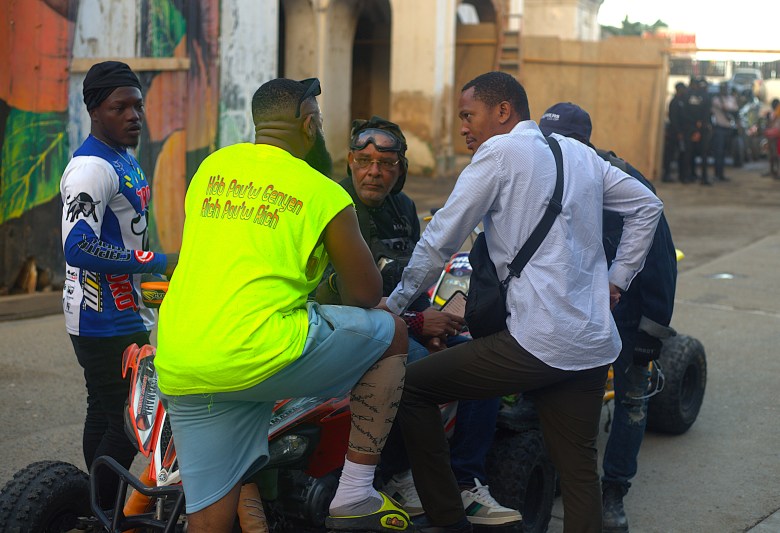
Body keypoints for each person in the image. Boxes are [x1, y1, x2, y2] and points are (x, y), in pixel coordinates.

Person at [380, 71, 663, 533]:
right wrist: (617, 279)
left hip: (536, 341)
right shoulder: (581, 156)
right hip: (592, 344)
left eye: (469, 116)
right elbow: (647, 205)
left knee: (412, 389)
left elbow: (439, 240)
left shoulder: (500, 152)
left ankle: (449, 518)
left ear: (503, 111)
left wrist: (392, 309)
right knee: (577, 470)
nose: (464, 128)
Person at [154, 77, 410, 533]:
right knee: (393, 333)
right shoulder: (324, 193)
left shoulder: (211, 169)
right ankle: (354, 491)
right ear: (310, 126)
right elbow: (367, 295)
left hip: (181, 359)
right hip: (263, 352)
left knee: (209, 518)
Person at [317, 115, 520, 526]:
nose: (374, 172)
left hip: (404, 323)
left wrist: (432, 323)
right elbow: (336, 296)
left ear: (400, 169)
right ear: (350, 162)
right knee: (420, 374)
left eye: (386, 164)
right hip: (350, 330)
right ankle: (392, 474)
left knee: (486, 364)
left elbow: (416, 274)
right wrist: (415, 324)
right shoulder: (333, 206)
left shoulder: (403, 207)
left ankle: (464, 480)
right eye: (364, 160)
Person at [539, 102, 678, 533]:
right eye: (547, 142)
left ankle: (614, 491)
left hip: (628, 321)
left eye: (563, 142)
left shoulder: (624, 183)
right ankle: (568, 476)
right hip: (572, 319)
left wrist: (652, 331)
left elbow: (660, 263)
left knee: (631, 402)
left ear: (585, 142)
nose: (553, 150)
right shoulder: (542, 175)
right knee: (567, 399)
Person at [60, 61, 177, 505]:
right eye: (119, 107)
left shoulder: (120, 157)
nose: (134, 116)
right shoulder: (92, 168)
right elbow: (80, 247)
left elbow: (123, 234)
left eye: (138, 105)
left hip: (122, 310)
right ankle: (107, 511)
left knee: (105, 410)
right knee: (129, 425)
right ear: (94, 110)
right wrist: (160, 261)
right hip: (100, 317)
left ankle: (97, 505)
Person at [682, 77, 713, 185]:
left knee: (689, 153)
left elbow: (685, 114)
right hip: (701, 129)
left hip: (689, 128)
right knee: (703, 154)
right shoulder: (706, 97)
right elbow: (706, 115)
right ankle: (703, 178)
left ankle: (687, 176)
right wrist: (698, 129)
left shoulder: (687, 96)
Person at [710, 83, 739, 182]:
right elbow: (727, 109)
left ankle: (721, 174)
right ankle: (717, 174)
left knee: (724, 153)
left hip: (728, 129)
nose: (725, 90)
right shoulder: (716, 100)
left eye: (726, 88)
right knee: (718, 152)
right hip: (719, 129)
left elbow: (735, 110)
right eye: (723, 88)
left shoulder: (731, 99)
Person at [662, 82, 688, 182]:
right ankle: (667, 175)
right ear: (678, 90)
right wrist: (679, 132)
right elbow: (674, 119)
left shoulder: (682, 101)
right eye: (683, 89)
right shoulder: (674, 102)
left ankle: (682, 175)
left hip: (680, 132)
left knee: (682, 154)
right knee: (670, 154)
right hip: (674, 132)